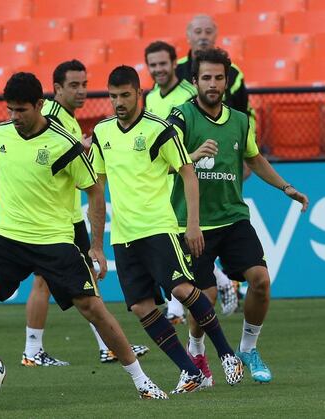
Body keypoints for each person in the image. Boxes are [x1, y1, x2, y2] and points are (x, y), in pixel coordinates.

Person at [0, 72, 167, 409]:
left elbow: (95, 192)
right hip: (6, 235)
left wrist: (96, 245)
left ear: (40, 105)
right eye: (10, 109)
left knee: (93, 308)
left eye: (21, 110)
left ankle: (142, 380)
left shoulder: (64, 144)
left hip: (54, 240)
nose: (14, 117)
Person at [90, 65, 244, 395]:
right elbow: (97, 188)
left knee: (182, 290)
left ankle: (228, 354)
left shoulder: (159, 129)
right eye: (113, 96)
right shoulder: (102, 133)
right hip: (123, 235)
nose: (119, 102)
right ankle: (190, 371)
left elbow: (187, 173)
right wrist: (97, 243)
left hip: (159, 228)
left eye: (125, 95)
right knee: (141, 307)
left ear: (138, 94)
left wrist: (191, 224)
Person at [168, 48, 309, 385]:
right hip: (193, 222)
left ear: (227, 81)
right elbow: (160, 159)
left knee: (260, 280)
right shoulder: (181, 117)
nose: (213, 83)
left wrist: (285, 187)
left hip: (232, 218)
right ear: (194, 81)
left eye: (218, 77)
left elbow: (255, 157)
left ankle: (248, 348)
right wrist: (190, 154)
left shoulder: (241, 120)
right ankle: (197, 351)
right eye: (206, 78)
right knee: (204, 301)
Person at [23, 60, 149, 367]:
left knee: (86, 279)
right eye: (74, 86)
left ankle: (104, 345)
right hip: (53, 217)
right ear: (57, 89)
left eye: (84, 84)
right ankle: (32, 350)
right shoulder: (51, 118)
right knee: (45, 280)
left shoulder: (67, 119)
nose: (82, 92)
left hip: (65, 214)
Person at [144, 40, 237, 322]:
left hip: (189, 179)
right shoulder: (150, 98)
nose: (158, 69)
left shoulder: (189, 94)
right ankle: (219, 282)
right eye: (153, 64)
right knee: (174, 244)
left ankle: (177, 308)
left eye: (163, 63)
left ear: (175, 64)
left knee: (178, 243)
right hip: (162, 178)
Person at [176, 14, 252, 118]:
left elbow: (246, 113)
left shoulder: (232, 72)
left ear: (215, 36)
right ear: (188, 36)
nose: (203, 36)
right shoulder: (175, 70)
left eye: (208, 32)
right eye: (198, 32)